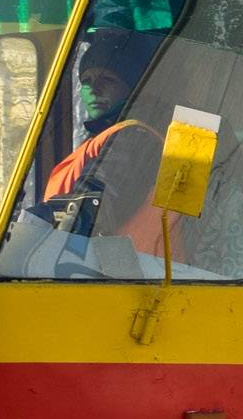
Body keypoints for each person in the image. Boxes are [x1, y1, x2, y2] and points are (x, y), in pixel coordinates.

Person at [44, 28, 169, 257]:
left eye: (107, 80)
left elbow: (97, 204)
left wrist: (33, 230)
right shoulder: (105, 136)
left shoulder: (131, 137)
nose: (94, 89)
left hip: (119, 273)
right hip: (119, 269)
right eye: (86, 81)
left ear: (133, 87)